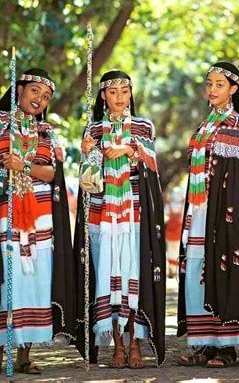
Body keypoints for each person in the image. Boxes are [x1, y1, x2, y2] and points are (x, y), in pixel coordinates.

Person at [0, 68, 75, 375]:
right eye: (35, 91)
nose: (40, 99)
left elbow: (53, 174)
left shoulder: (47, 132)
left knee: (33, 282)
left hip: (40, 215)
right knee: (6, 279)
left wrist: (22, 164)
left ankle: (24, 354)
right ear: (19, 90)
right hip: (5, 211)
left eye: (46, 96)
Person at [74, 70, 165, 368]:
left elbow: (152, 165)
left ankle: (135, 345)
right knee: (107, 276)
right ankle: (116, 346)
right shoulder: (93, 129)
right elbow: (87, 183)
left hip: (134, 211)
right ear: (103, 96)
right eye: (113, 92)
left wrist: (130, 149)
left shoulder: (143, 126)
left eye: (124, 91)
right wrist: (88, 155)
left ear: (130, 94)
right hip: (102, 215)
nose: (119, 98)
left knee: (132, 275)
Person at [177, 62, 239, 368]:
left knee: (224, 267)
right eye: (209, 84)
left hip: (224, 212)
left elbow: (236, 178)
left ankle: (227, 346)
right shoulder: (205, 124)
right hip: (199, 210)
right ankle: (205, 344)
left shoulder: (237, 125)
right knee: (198, 270)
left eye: (219, 85)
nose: (211, 90)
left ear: (233, 90)